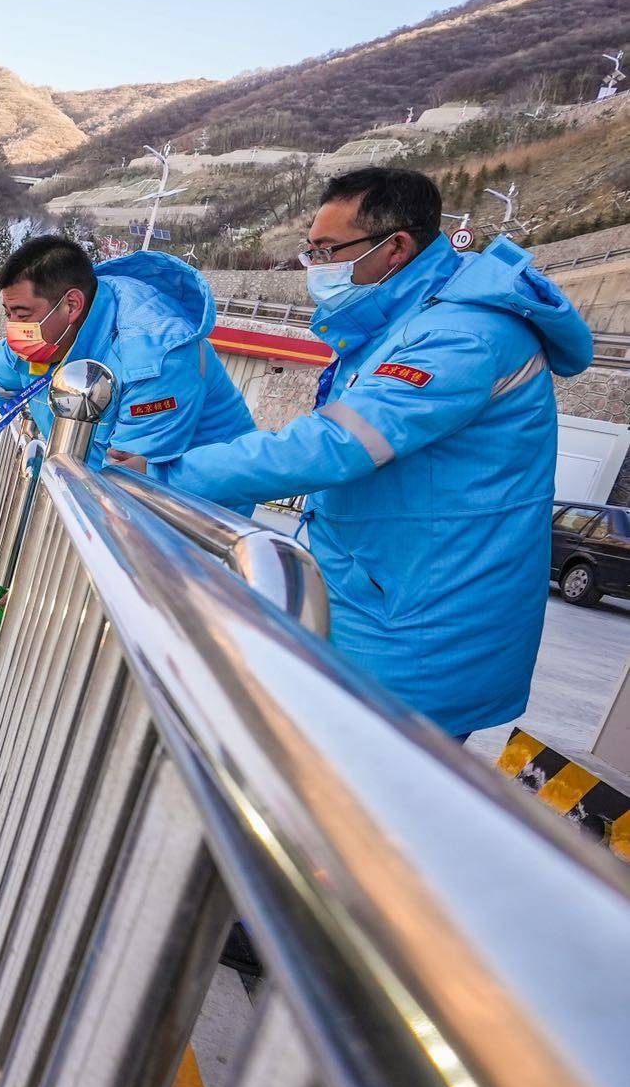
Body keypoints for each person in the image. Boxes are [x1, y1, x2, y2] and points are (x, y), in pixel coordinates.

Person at [111, 167, 593, 739]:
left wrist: (167, 471)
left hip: (419, 623)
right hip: (379, 597)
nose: (315, 266)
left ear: (395, 248)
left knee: (369, 802)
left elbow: (339, 444)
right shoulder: (409, 321)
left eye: (328, 250)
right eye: (310, 249)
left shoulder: (463, 336)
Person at [0, 235, 255, 487]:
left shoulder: (154, 358)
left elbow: (129, 484)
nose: (13, 328)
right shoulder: (48, 333)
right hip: (90, 485)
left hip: (193, 528)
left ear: (71, 304)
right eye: (8, 314)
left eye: (21, 314)